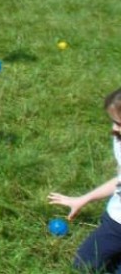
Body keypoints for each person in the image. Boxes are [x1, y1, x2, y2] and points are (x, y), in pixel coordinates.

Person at [49, 88, 121, 272]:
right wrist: (83, 199)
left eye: (119, 123)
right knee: (84, 265)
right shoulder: (119, 138)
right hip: (115, 219)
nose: (114, 129)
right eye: (113, 122)